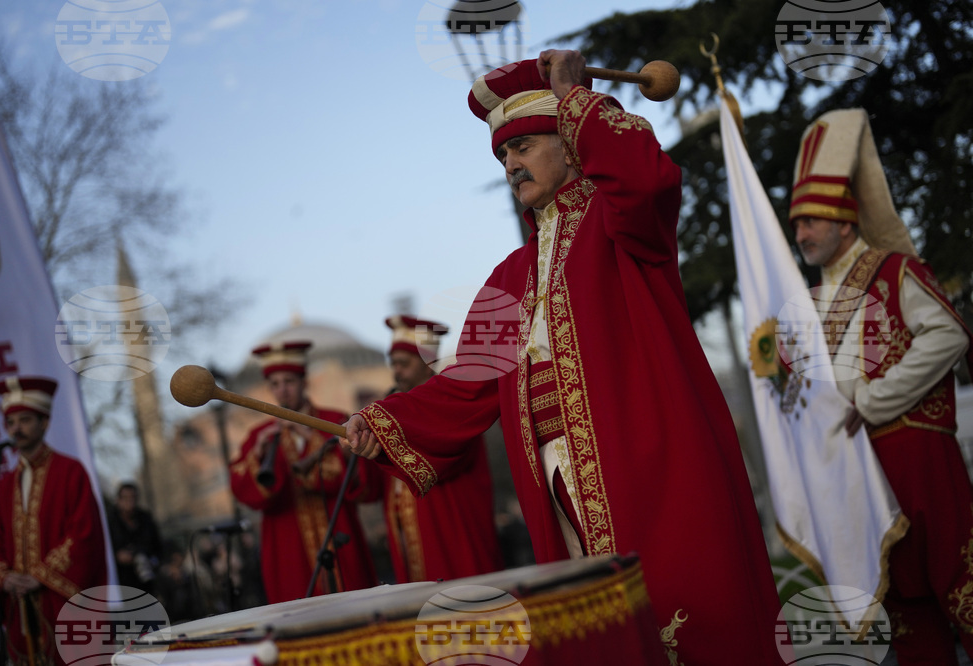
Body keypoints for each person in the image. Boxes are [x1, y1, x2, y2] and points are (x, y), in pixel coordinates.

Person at [344, 50, 783, 664]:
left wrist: (580, 99)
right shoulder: (509, 275)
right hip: (556, 484)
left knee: (690, 626)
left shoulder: (620, 220)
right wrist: (385, 423)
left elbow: (646, 176)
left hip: (653, 465)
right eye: (503, 154)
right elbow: (468, 383)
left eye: (523, 145)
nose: (510, 165)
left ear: (571, 141)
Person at [790, 108, 973, 663]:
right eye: (796, 224)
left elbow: (948, 335)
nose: (800, 234)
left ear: (846, 223)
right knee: (907, 615)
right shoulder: (810, 306)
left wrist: (871, 399)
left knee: (963, 591)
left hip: (918, 454)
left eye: (811, 222)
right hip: (860, 473)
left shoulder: (894, 270)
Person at [229, 341, 380, 602]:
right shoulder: (258, 436)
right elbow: (243, 490)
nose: (282, 390)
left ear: (303, 381)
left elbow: (364, 481)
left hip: (340, 537)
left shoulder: (335, 421)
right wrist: (259, 455)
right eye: (275, 384)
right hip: (287, 548)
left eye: (289, 381)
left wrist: (312, 438)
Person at [0, 376, 107, 666]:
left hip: (61, 605)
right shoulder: (4, 485)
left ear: (45, 422)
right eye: (11, 423)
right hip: (20, 610)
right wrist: (5, 577)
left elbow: (84, 536)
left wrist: (37, 576)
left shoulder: (70, 472)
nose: (16, 429)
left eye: (25, 420)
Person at [380, 315, 503, 582]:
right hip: (413, 547)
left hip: (452, 538)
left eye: (404, 364)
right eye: (394, 364)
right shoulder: (396, 411)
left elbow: (441, 464)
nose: (396, 371)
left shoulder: (448, 407)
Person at [106, 481, 163, 596]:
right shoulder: (110, 521)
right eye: (126, 498)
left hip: (145, 579)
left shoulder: (145, 518)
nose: (130, 502)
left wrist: (146, 557)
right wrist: (117, 556)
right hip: (120, 581)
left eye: (133, 498)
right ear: (118, 500)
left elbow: (157, 546)